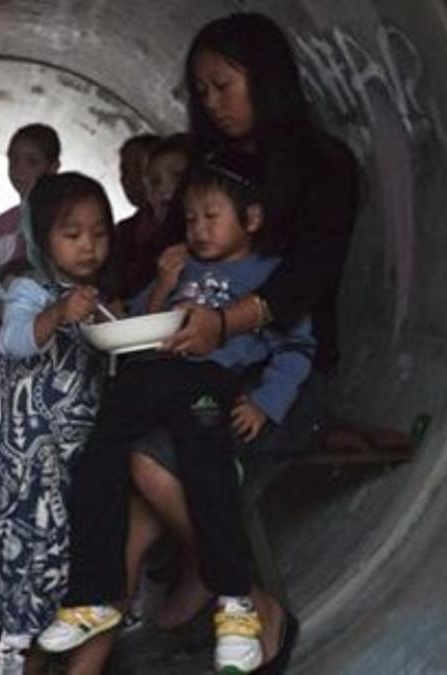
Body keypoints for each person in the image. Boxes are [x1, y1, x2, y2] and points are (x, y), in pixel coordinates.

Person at [68, 12, 364, 674]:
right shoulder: (208, 168)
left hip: (280, 378)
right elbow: (169, 268)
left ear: (268, 81)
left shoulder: (324, 167)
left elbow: (309, 281)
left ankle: (251, 601)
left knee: (148, 467)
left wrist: (224, 324)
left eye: (223, 85)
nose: (212, 103)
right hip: (204, 366)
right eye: (201, 91)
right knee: (129, 484)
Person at [40, 151, 314, 675]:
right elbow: (142, 325)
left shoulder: (267, 277)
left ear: (251, 220)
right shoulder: (183, 266)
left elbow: (296, 348)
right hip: (154, 379)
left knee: (205, 467)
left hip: (209, 385)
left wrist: (264, 402)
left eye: (212, 217)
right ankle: (91, 598)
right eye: (190, 218)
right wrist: (164, 284)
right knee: (100, 457)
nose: (198, 228)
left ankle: (237, 604)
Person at [0, 172, 114, 675]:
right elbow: (12, 342)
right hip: (20, 466)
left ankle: (35, 661)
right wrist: (57, 313)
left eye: (99, 234)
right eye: (72, 233)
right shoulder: (28, 290)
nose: (87, 246)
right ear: (41, 233)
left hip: (69, 465)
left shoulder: (94, 295)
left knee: (55, 571)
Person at [0, 123, 62, 401]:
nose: (20, 170)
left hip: (64, 348)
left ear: (53, 167)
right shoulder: (2, 227)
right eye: (13, 161)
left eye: (32, 162)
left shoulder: (69, 217)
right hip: (13, 348)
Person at [113, 133, 160, 301]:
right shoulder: (124, 231)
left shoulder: (180, 228)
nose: (129, 179)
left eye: (139, 170)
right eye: (125, 170)